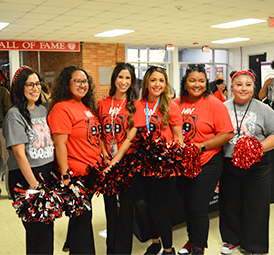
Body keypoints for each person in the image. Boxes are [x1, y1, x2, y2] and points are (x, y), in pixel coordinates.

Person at [219, 71, 274, 255]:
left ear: (253, 88)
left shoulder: (263, 109)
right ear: (231, 87)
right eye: (238, 84)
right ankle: (232, 239)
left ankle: (255, 246)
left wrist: (256, 149)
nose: (243, 88)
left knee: (256, 206)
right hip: (229, 164)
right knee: (230, 203)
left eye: (248, 84)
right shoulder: (222, 107)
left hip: (257, 166)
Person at [173, 64, 233, 255]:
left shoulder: (214, 103)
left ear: (206, 82)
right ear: (185, 82)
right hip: (182, 163)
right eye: (192, 80)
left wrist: (201, 146)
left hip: (207, 161)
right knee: (187, 204)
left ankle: (199, 247)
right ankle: (192, 240)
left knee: (198, 206)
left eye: (201, 81)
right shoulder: (176, 103)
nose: (196, 84)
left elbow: (227, 133)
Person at [47, 66, 101, 255]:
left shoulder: (85, 106)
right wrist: (65, 175)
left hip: (90, 172)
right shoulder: (61, 108)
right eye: (77, 81)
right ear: (66, 84)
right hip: (75, 174)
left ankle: (71, 244)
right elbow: (60, 144)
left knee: (81, 217)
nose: (82, 85)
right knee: (83, 219)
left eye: (85, 81)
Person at [3, 66, 54, 254]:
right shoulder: (14, 114)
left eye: (38, 84)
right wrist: (35, 186)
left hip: (46, 175)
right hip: (26, 179)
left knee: (45, 230)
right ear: (19, 88)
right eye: (29, 84)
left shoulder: (42, 110)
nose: (35, 88)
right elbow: (19, 155)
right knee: (38, 232)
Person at [98, 63, 145, 254]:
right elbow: (100, 131)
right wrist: (105, 155)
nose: (124, 82)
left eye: (128, 78)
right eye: (120, 77)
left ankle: (123, 250)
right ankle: (111, 249)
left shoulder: (136, 106)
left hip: (126, 162)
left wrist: (115, 160)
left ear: (132, 81)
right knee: (110, 208)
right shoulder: (102, 102)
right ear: (114, 79)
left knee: (125, 208)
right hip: (106, 161)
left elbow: (129, 138)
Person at [137, 66, 184, 255]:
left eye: (161, 81)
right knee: (148, 205)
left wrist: (170, 157)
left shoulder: (171, 106)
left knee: (159, 209)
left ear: (166, 85)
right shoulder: (137, 105)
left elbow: (178, 138)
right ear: (146, 83)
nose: (157, 84)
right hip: (143, 164)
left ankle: (168, 248)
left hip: (165, 166)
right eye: (153, 80)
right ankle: (155, 242)